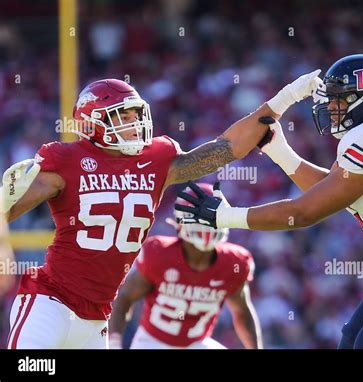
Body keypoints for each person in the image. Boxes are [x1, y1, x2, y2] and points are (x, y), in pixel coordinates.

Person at [1, 72, 320, 348]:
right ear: (93, 122)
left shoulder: (156, 159)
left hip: (97, 314)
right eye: (122, 116)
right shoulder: (65, 159)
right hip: (51, 301)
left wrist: (282, 100)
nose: (134, 123)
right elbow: (7, 212)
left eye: (135, 114)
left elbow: (226, 149)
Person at [176, 54, 363, 349]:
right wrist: (281, 152)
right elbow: (331, 192)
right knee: (353, 341)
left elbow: (304, 212)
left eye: (340, 100)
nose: (331, 107)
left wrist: (224, 217)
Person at [109, 184, 262, 349]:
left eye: (211, 216)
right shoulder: (159, 255)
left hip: (197, 343)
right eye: (200, 215)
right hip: (152, 342)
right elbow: (124, 299)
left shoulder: (233, 263)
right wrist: (114, 344)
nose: (206, 223)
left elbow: (242, 313)